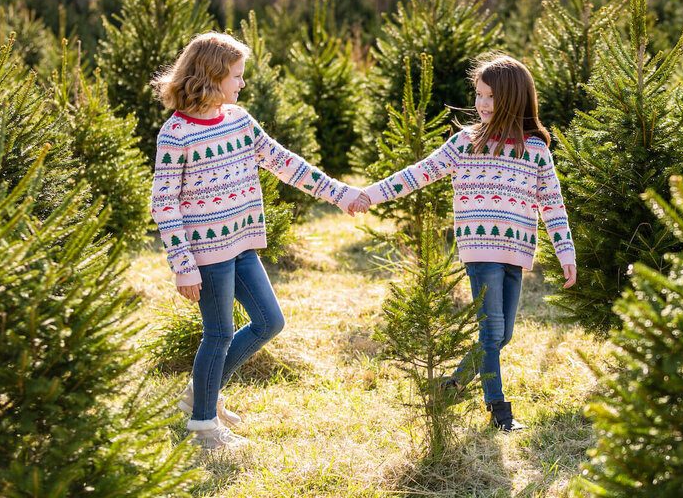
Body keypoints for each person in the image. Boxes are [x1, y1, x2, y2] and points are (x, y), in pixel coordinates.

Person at [150, 31, 363, 450]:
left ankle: (200, 394)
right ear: (210, 76)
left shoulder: (239, 120)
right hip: (206, 253)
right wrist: (183, 264)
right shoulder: (176, 133)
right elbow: (164, 204)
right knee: (219, 333)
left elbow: (285, 162)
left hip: (241, 243)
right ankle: (203, 428)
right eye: (236, 76)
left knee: (269, 322)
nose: (242, 84)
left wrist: (339, 194)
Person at [352, 54, 577, 432]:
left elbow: (552, 203)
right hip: (480, 250)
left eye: (490, 97)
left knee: (503, 334)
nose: (482, 104)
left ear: (514, 98)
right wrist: (368, 195)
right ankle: (499, 410)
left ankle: (451, 385)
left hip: (516, 250)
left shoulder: (535, 150)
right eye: (478, 95)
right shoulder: (464, 143)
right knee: (491, 332)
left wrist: (565, 251)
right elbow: (417, 174)